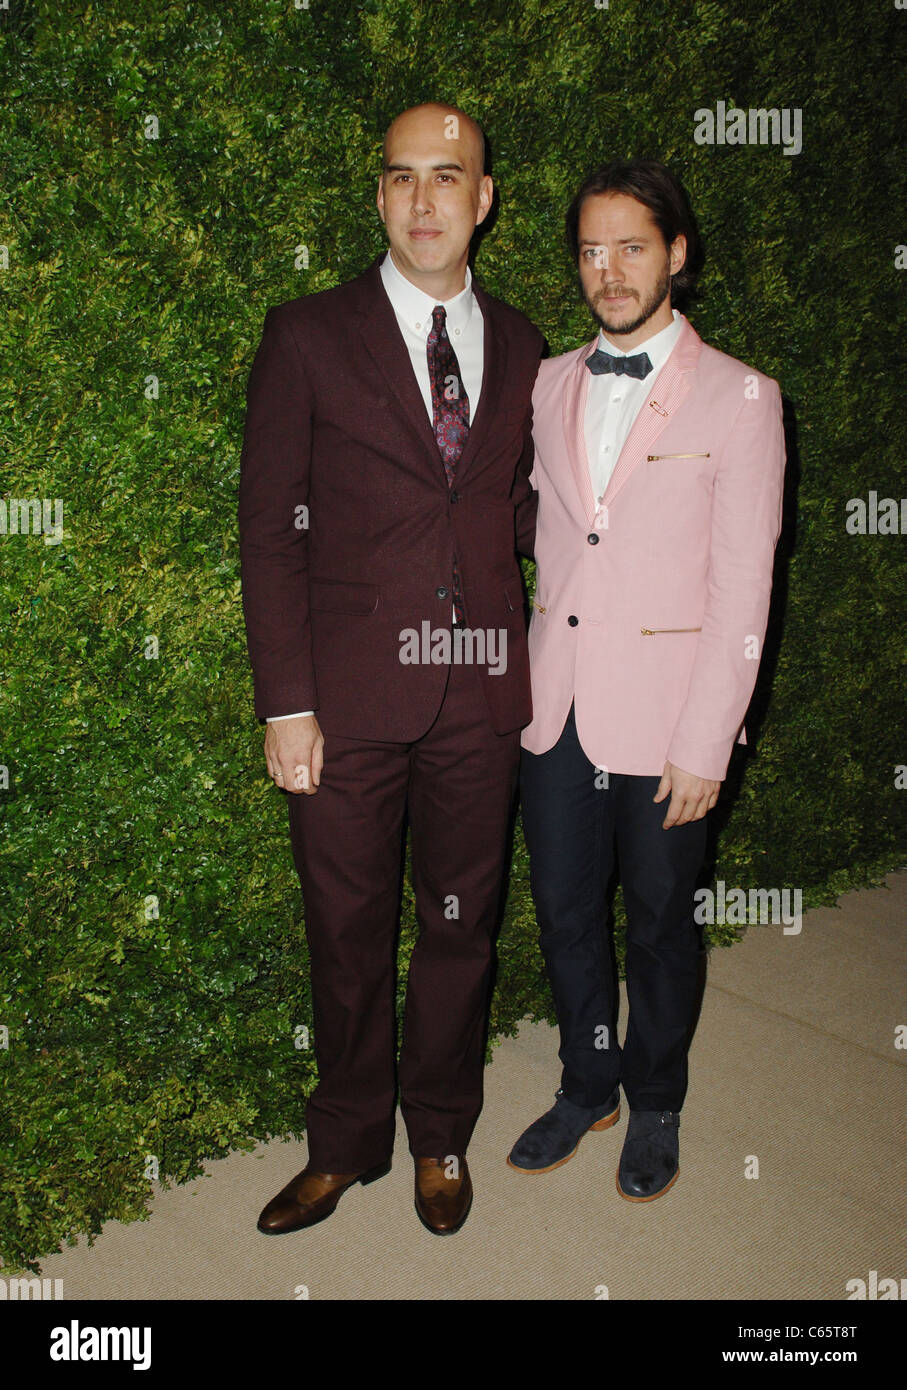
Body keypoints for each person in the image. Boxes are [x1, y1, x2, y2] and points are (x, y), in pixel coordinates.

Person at [238, 102, 543, 1235]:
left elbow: (523, 509)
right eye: (403, 178)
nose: (425, 200)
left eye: (448, 177)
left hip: (480, 694)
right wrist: (288, 703)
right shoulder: (307, 333)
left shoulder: (522, 343)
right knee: (347, 929)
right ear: (379, 197)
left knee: (462, 924)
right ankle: (344, 1141)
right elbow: (269, 527)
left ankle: (441, 1135)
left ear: (483, 197)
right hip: (347, 702)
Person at [509, 159, 785, 1200]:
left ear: (676, 253)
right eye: (589, 249)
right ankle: (590, 1081)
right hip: (557, 703)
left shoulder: (742, 395)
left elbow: (744, 585)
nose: (607, 269)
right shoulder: (547, 383)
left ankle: (655, 1095)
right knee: (566, 908)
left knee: (661, 920)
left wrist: (708, 739)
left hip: (673, 721)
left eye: (631, 246)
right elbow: (543, 534)